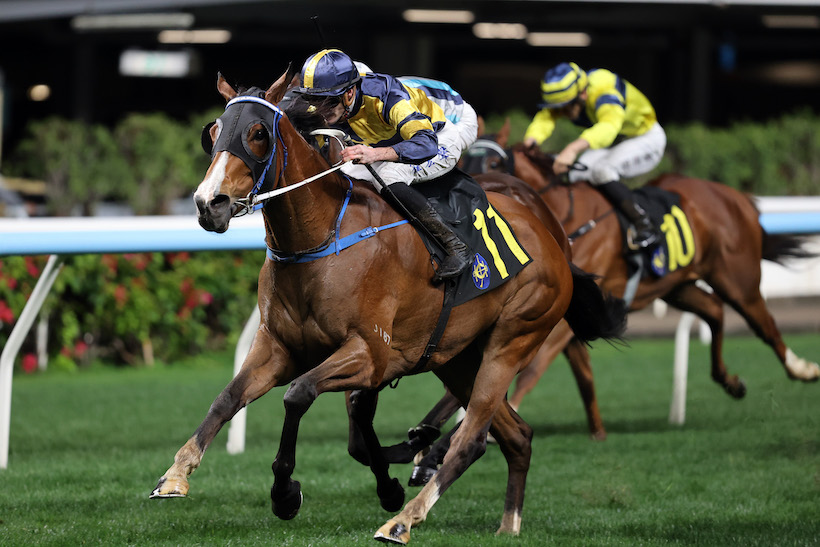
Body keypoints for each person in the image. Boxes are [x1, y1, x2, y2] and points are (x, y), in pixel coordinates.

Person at [291, 48, 479, 281]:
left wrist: (375, 154)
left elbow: (425, 144)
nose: (318, 110)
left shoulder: (386, 95)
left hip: (437, 139)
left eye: (326, 103)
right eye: (313, 100)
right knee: (343, 175)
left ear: (349, 93)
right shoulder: (329, 101)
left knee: (389, 175)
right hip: (391, 141)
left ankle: (456, 246)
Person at [523, 62, 665, 250]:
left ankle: (645, 224)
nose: (562, 113)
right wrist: (531, 141)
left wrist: (572, 149)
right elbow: (546, 117)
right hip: (617, 141)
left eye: (566, 107)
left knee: (602, 171)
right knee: (575, 174)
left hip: (645, 138)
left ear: (583, 94)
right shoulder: (575, 90)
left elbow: (609, 126)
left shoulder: (604, 89)